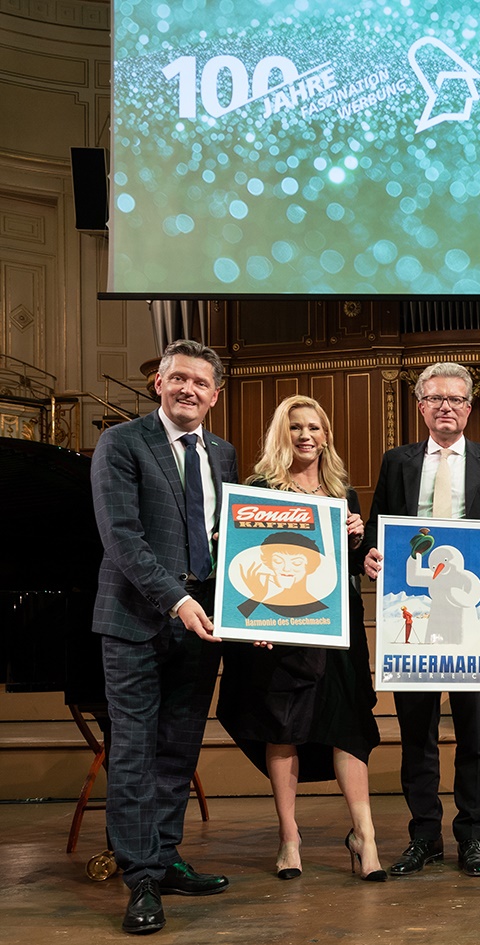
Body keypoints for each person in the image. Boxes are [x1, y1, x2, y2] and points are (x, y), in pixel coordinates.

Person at [91, 340, 239, 934]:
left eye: (200, 384)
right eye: (178, 379)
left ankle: (167, 856)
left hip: (201, 624)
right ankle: (141, 879)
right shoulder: (121, 443)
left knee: (179, 748)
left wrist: (251, 611)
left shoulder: (223, 453)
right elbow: (121, 537)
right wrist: (176, 600)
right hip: (136, 621)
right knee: (133, 750)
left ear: (215, 395)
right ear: (158, 382)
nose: (188, 390)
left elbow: (233, 537)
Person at [362, 363, 480, 878]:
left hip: (472, 620)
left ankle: (472, 836)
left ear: (469, 407)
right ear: (420, 406)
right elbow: (376, 531)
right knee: (417, 734)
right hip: (412, 620)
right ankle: (424, 836)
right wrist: (368, 555)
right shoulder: (398, 462)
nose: (446, 407)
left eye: (456, 399)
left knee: (475, 735)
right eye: (435, 399)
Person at [215, 395, 384, 882]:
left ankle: (365, 836)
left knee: (348, 725)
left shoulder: (342, 492)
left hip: (336, 631)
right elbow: (241, 565)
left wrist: (358, 541)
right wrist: (255, 625)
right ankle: (290, 837)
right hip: (278, 633)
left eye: (314, 427)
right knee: (282, 727)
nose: (306, 435)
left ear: (326, 436)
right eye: (295, 428)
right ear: (280, 435)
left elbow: (351, 568)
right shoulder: (258, 490)